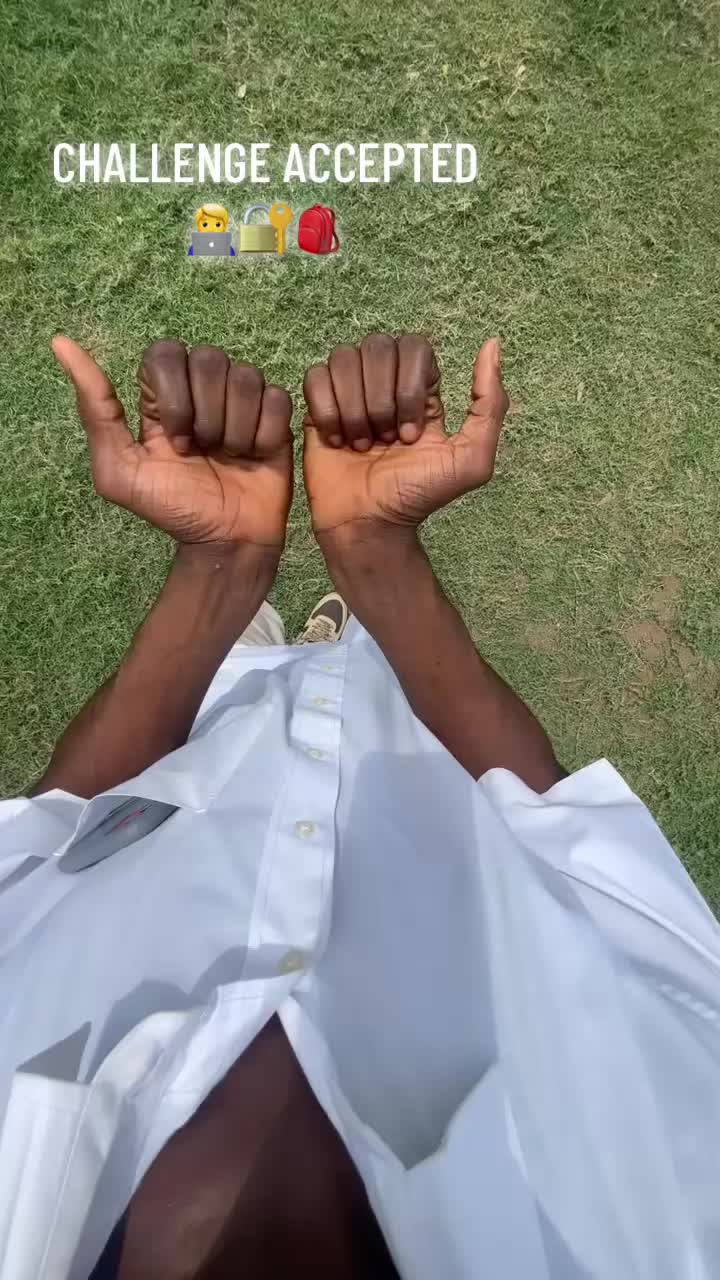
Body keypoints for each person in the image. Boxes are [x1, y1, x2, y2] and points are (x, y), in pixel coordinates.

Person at [0, 332, 718, 1280]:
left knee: (243, 702)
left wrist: (217, 572)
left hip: (205, 768)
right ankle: (323, 647)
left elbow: (42, 847)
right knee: (351, 684)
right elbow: (572, 846)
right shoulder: (676, 1236)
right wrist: (378, 562)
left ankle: (253, 654)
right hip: (401, 746)